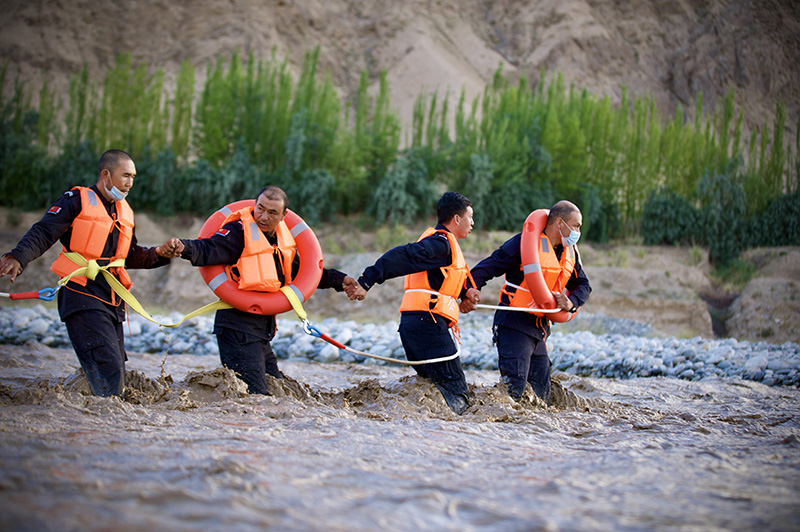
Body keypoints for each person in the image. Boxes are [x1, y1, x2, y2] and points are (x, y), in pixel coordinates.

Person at [0, 149, 178, 397]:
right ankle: (103, 426)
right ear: (106, 175)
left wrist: (160, 253)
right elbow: (43, 233)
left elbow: (128, 255)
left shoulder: (124, 211)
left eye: (134, 177)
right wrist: (18, 257)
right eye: (125, 175)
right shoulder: (75, 199)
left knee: (116, 373)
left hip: (111, 300)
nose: (130, 183)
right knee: (110, 372)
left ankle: (98, 417)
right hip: (80, 295)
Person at [160, 186, 363, 395]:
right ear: (254, 206)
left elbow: (303, 272)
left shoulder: (280, 242)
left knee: (277, 392)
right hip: (236, 328)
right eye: (260, 209)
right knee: (257, 397)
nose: (263, 217)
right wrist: (183, 247)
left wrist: (340, 280)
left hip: (260, 331)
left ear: (284, 215)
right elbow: (209, 248)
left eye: (272, 212)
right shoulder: (238, 232)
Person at [352, 192, 477, 415]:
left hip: (416, 326)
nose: (473, 223)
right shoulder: (440, 244)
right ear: (456, 219)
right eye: (470, 217)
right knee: (458, 395)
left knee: (434, 392)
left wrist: (466, 292)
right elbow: (402, 256)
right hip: (427, 326)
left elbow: (444, 281)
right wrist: (367, 280)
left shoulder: (446, 246)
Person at [461, 200, 592, 404]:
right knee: (513, 392)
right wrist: (470, 289)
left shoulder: (570, 253)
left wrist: (571, 302)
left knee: (541, 397)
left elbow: (583, 285)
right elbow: (490, 265)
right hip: (514, 324)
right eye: (575, 226)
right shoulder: (524, 243)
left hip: (539, 329)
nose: (578, 232)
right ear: (559, 223)